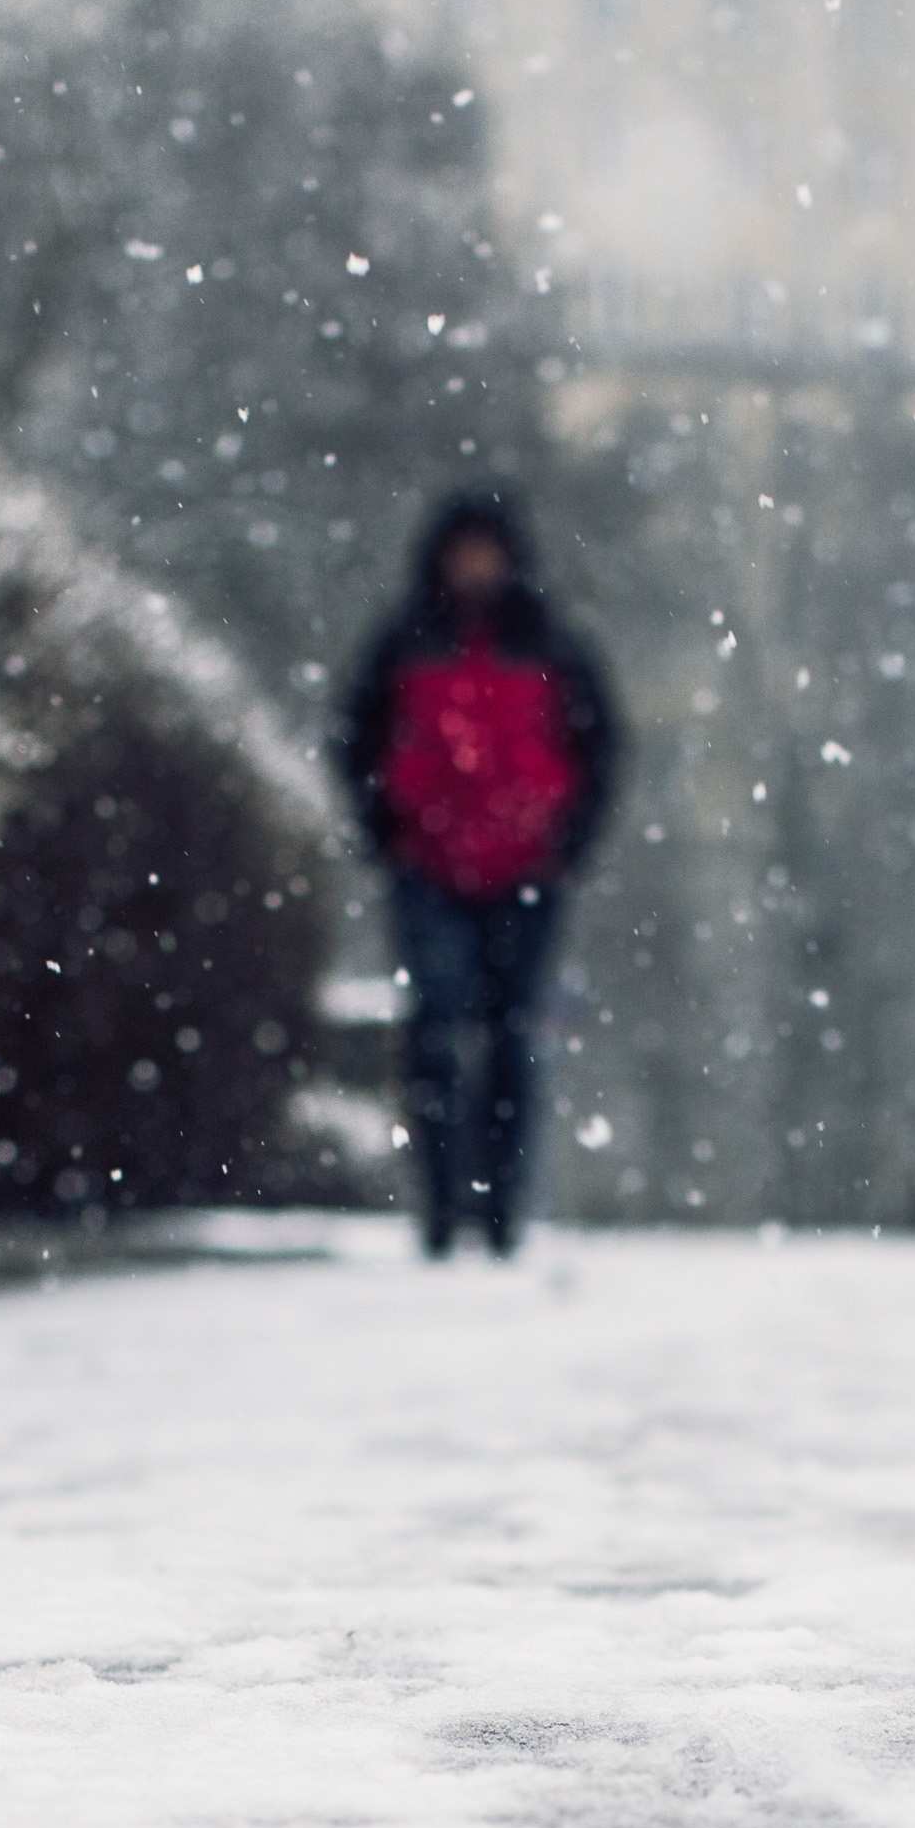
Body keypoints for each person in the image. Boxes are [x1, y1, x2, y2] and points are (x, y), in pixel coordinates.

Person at [338, 488, 616, 1257]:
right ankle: (438, 1207)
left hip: (527, 869)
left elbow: (599, 752)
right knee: (435, 1031)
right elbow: (357, 739)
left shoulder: (554, 647)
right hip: (427, 865)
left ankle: (499, 1214)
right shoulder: (404, 642)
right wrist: (388, 831)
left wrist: (567, 843)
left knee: (509, 1040)